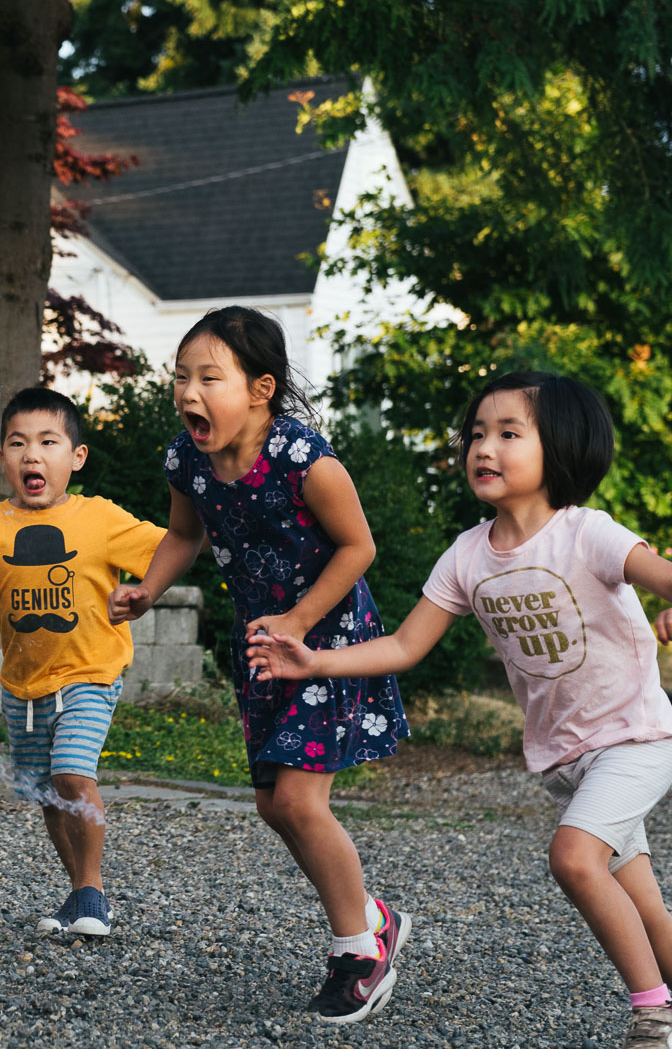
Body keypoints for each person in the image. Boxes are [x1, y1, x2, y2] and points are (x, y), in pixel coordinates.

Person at [249, 371, 672, 1049]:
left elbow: (659, 571)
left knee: (574, 858)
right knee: (644, 901)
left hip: (636, 737)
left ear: (560, 447)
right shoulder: (468, 555)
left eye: (509, 433)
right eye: (477, 433)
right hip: (568, 757)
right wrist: (313, 659)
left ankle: (653, 1013)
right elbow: (404, 645)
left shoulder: (587, 534)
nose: (484, 446)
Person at [107, 306, 411, 1025]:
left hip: (327, 645)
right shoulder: (187, 460)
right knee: (275, 806)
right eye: (180, 376)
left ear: (260, 388)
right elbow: (185, 533)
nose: (188, 392)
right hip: (264, 651)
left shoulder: (306, 459)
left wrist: (301, 625)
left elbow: (358, 547)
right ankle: (370, 915)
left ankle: (359, 952)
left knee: (301, 803)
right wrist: (149, 588)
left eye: (209, 377)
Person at [0, 387, 164, 937]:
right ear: (3, 458)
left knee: (71, 773)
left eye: (48, 442)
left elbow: (172, 546)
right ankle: (82, 894)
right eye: (17, 443)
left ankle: (90, 895)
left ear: (76, 457)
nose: (31, 455)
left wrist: (146, 590)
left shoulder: (100, 519)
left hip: (89, 673)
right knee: (47, 794)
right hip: (22, 688)